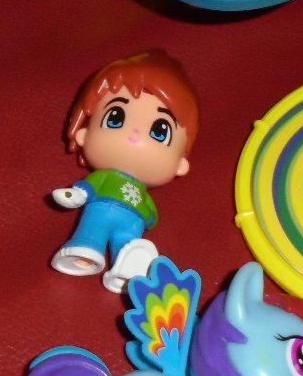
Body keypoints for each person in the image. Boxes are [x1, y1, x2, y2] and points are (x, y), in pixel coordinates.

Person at [50, 50, 198, 292]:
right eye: (115, 117)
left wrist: (149, 217)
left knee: (128, 248)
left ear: (180, 164)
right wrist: (76, 195)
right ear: (84, 134)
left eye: (160, 131)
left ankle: (128, 270)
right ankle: (85, 247)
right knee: (92, 231)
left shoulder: (143, 193)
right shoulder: (103, 177)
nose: (135, 134)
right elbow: (87, 188)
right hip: (100, 210)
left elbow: (152, 218)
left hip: (132, 225)